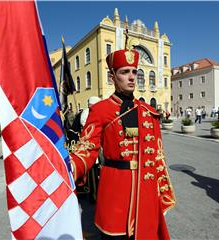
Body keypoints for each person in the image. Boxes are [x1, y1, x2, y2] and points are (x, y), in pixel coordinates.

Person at [69, 45, 176, 239]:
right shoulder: (100, 110)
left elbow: (158, 156)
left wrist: (162, 192)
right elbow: (87, 147)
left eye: (134, 72)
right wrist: (66, 167)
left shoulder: (148, 112)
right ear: (112, 77)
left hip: (146, 190)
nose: (132, 77)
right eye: (125, 72)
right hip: (115, 190)